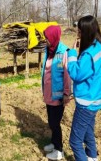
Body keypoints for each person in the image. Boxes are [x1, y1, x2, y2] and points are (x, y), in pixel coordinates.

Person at [67, 15, 101, 161]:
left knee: (75, 141)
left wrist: (72, 54)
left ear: (86, 32)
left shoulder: (89, 55)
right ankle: (92, 157)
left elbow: (76, 73)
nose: (78, 35)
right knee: (88, 132)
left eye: (79, 32)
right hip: (96, 100)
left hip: (86, 103)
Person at [41, 25, 71, 160]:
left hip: (58, 96)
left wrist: (66, 93)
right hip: (48, 93)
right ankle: (54, 143)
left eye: (47, 38)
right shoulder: (48, 50)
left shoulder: (64, 52)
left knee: (55, 123)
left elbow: (67, 75)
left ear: (53, 37)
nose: (45, 40)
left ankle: (59, 150)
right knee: (51, 121)